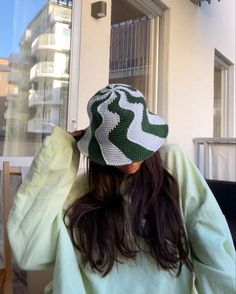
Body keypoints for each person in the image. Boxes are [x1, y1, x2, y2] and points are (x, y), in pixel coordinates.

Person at [7, 84, 235, 294]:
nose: (130, 162)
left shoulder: (172, 165)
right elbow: (29, 252)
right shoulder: (78, 194)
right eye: (119, 152)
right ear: (97, 150)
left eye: (135, 147)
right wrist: (62, 149)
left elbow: (210, 239)